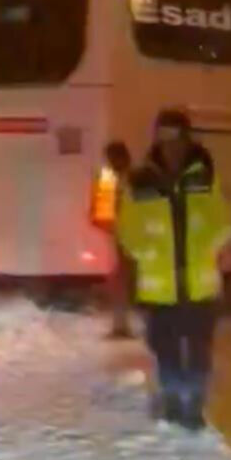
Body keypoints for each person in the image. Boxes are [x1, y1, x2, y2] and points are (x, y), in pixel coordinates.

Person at [117, 110, 231, 430]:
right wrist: (146, 246)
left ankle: (193, 404)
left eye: (176, 139)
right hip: (160, 287)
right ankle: (170, 399)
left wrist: (208, 240)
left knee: (198, 349)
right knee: (165, 348)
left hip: (200, 285)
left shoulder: (204, 176)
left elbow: (223, 222)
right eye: (164, 139)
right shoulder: (140, 181)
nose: (171, 148)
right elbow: (127, 230)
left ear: (186, 139)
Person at [102, 140, 134, 339]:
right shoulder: (109, 179)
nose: (111, 162)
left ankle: (122, 325)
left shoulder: (135, 180)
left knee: (128, 283)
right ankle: (120, 325)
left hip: (134, 238)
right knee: (120, 283)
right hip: (118, 238)